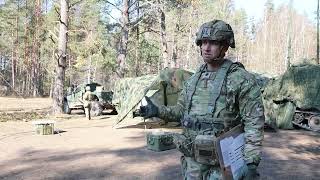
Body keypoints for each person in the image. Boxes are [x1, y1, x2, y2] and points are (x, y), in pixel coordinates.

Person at [139, 19, 264, 180]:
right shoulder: (193, 80)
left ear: (225, 46)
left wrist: (251, 163)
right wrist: (157, 110)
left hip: (224, 163)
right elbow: (180, 112)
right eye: (203, 42)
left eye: (213, 43)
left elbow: (254, 123)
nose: (206, 47)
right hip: (194, 162)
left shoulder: (240, 79)